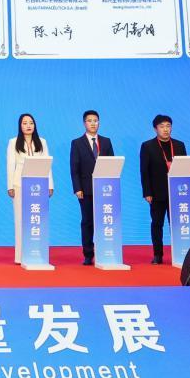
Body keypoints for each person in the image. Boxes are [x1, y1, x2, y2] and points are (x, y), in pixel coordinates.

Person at [139, 114, 187, 264]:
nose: (166, 129)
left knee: (178, 224)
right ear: (155, 129)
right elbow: (144, 171)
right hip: (156, 192)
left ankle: (180, 253)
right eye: (162, 126)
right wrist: (147, 192)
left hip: (178, 193)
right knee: (157, 223)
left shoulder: (179, 145)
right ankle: (158, 254)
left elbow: (186, 169)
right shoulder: (148, 146)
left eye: (168, 126)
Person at [6, 112, 53, 264]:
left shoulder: (42, 142)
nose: (28, 126)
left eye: (31, 123)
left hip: (39, 185)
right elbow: (10, 165)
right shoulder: (13, 142)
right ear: (20, 126)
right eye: (25, 123)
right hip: (19, 184)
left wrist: (50, 184)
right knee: (20, 219)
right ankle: (20, 256)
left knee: (37, 219)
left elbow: (48, 164)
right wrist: (10, 186)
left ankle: (38, 253)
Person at [70, 109, 114, 265]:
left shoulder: (106, 142)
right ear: (84, 124)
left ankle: (105, 250)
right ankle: (88, 254)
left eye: (95, 120)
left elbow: (112, 165)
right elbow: (74, 168)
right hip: (85, 189)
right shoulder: (77, 143)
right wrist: (77, 188)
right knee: (88, 221)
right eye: (89, 121)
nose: (93, 123)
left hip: (105, 190)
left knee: (105, 221)